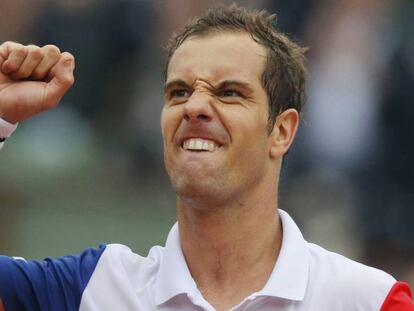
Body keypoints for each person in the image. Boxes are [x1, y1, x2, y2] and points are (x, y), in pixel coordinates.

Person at [0, 4, 413, 311]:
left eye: (228, 92)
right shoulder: (91, 286)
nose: (193, 107)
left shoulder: (370, 300)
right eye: (178, 92)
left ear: (282, 131)